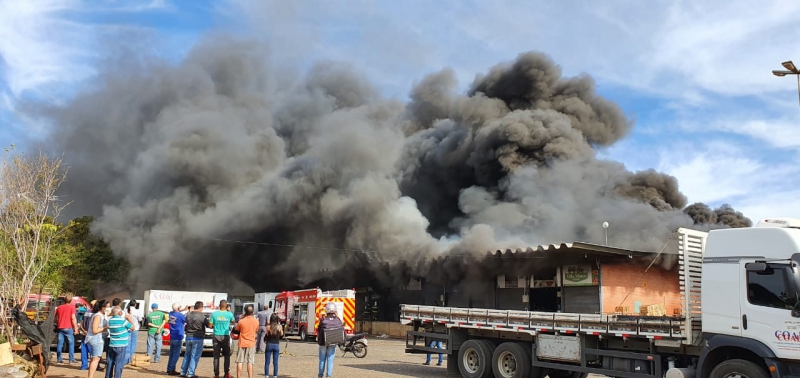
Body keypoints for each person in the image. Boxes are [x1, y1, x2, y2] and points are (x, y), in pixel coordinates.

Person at [209, 300, 235, 378]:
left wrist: (215, 325)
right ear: (226, 306)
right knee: (227, 355)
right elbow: (233, 322)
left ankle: (216, 374)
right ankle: (226, 373)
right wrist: (229, 311)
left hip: (216, 335)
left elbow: (210, 325)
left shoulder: (214, 314)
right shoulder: (229, 314)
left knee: (216, 356)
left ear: (219, 305)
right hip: (225, 336)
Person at [181, 301, 208, 378]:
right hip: (198, 337)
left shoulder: (188, 315)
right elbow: (208, 325)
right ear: (201, 307)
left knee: (187, 355)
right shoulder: (202, 316)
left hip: (188, 336)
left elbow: (185, 321)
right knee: (194, 356)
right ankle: (190, 373)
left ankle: (183, 372)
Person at [317, 303, 343, 378]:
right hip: (333, 342)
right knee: (330, 360)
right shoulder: (338, 320)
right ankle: (329, 376)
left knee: (322, 360)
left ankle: (320, 375)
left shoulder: (323, 319)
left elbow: (318, 330)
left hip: (323, 342)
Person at [105, 307, 133, 378]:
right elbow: (133, 327)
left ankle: (108, 376)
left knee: (110, 362)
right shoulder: (123, 320)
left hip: (112, 344)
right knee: (119, 363)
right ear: (120, 313)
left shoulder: (110, 320)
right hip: (121, 344)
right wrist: (129, 319)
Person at [86, 300, 109, 378]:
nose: (108, 309)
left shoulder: (101, 315)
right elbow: (94, 330)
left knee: (94, 358)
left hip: (96, 338)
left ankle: (90, 376)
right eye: (107, 307)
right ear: (103, 307)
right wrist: (106, 327)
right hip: (96, 338)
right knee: (96, 359)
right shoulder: (98, 316)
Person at [234, 305, 258, 378]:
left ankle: (238, 376)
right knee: (250, 362)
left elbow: (236, 329)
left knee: (240, 361)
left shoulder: (241, 321)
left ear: (245, 312)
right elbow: (256, 330)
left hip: (242, 342)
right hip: (251, 343)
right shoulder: (256, 321)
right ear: (253, 312)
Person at [55, 293, 79, 364]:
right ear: (71, 300)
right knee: (71, 343)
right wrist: (76, 328)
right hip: (68, 327)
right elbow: (73, 318)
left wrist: (58, 323)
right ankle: (71, 359)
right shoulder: (72, 307)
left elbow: (55, 318)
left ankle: (59, 359)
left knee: (60, 343)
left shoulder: (59, 307)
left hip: (60, 327)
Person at [166, 303, 187, 376]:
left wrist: (183, 309)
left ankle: (169, 368)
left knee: (172, 354)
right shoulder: (180, 316)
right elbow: (187, 320)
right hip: (178, 336)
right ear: (178, 308)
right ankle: (171, 369)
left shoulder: (171, 313)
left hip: (172, 335)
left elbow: (176, 312)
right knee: (176, 354)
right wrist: (189, 311)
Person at [263, 313, 283, 378]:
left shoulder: (268, 327)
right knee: (275, 362)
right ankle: (275, 376)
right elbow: (282, 334)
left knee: (267, 362)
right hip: (276, 345)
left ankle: (266, 375)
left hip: (269, 344)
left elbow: (267, 335)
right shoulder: (279, 327)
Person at [124, 300, 142, 365]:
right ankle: (130, 358)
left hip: (127, 328)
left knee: (127, 344)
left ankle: (125, 359)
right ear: (135, 305)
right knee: (133, 344)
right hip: (135, 328)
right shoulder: (137, 311)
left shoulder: (125, 310)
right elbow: (140, 319)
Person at [80, 301, 95, 371]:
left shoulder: (86, 312)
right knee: (93, 351)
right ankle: (94, 365)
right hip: (91, 334)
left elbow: (81, 323)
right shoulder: (95, 314)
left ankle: (84, 366)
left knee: (84, 350)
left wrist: (83, 330)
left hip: (84, 333)